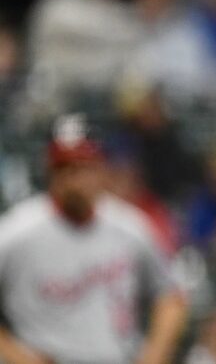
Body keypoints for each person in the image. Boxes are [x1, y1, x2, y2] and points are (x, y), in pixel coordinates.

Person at [0, 113, 187, 364]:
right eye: (64, 167)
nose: (74, 180)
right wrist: (14, 354)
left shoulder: (130, 227)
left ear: (101, 168)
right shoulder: (17, 231)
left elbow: (171, 296)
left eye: (83, 166)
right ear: (49, 171)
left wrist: (153, 356)